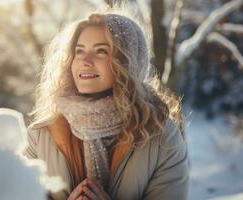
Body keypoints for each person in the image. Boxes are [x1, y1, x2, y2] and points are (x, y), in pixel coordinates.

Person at [23, 6, 189, 200]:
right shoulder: (40, 136)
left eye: (101, 51)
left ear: (127, 61)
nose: (85, 60)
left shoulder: (161, 138)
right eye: (79, 51)